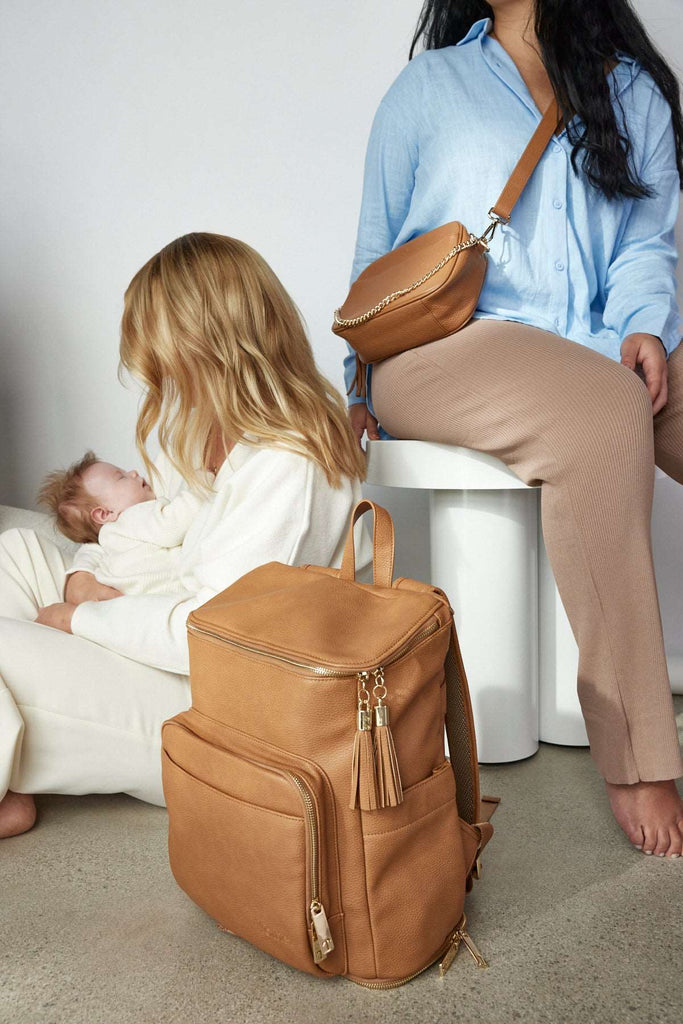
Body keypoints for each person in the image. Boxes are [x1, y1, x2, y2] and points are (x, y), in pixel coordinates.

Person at [343, 0, 683, 858]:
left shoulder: (629, 90)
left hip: (593, 346)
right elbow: (375, 258)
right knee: (606, 417)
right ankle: (638, 752)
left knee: (621, 391)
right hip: (442, 351)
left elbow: (647, 242)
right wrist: (355, 385)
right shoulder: (426, 87)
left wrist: (644, 325)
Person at [0, 232, 372, 838]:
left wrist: (81, 620)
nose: (159, 379)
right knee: (15, 550)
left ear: (207, 346)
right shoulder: (237, 439)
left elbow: (215, 636)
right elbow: (171, 560)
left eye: (163, 356)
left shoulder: (286, 464)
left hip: (216, 713)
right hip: (172, 646)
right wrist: (84, 582)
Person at [36, 451, 209, 596]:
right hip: (164, 592)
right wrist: (202, 481)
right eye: (122, 477)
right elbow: (173, 524)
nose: (133, 472)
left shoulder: (110, 539)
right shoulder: (133, 516)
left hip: (132, 598)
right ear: (105, 513)